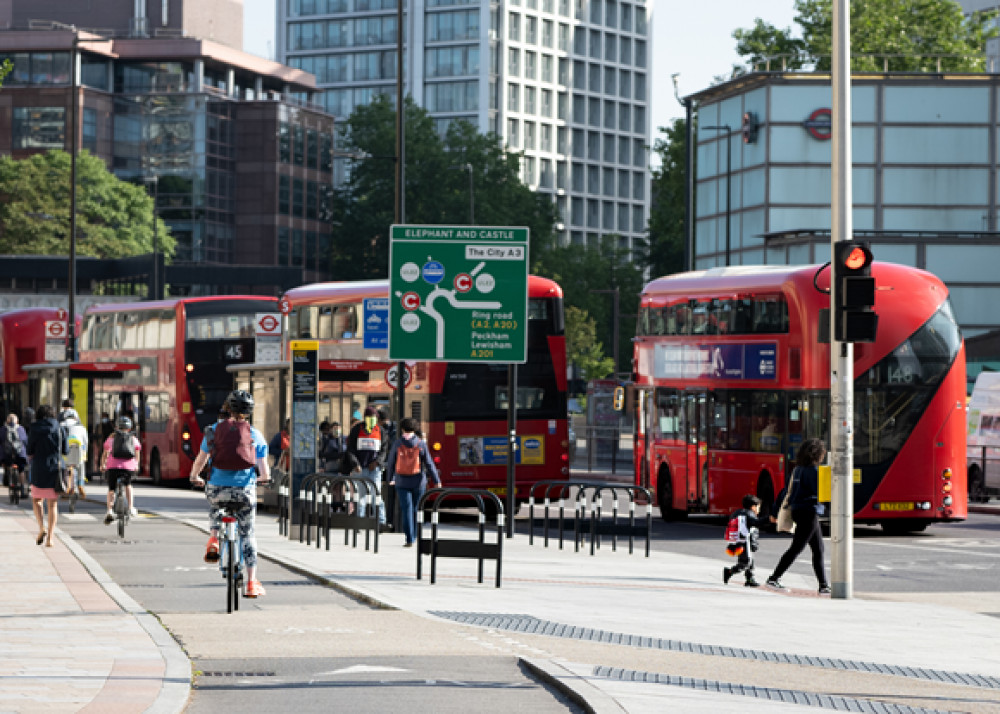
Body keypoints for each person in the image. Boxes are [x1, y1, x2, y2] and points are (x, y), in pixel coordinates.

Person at [189, 390, 271, 598]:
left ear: (227, 408)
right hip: (244, 491)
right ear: (249, 412)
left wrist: (195, 476)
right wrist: (263, 479)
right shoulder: (255, 435)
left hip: (217, 488)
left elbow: (201, 459)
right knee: (248, 534)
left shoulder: (213, 430)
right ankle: (252, 582)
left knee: (216, 505)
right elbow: (264, 470)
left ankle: (214, 538)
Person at [767, 438, 831, 594]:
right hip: (808, 512)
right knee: (797, 548)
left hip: (798, 511)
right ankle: (774, 578)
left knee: (818, 549)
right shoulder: (815, 472)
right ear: (818, 454)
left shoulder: (797, 470)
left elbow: (785, 492)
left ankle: (823, 585)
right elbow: (821, 494)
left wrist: (774, 511)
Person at [386, 417, 441, 547]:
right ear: (415, 429)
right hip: (418, 482)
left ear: (402, 428)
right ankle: (416, 535)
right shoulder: (421, 444)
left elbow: (391, 462)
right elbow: (429, 463)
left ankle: (409, 538)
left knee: (407, 510)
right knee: (417, 509)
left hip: (401, 481)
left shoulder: (398, 443)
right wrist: (436, 480)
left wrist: (390, 479)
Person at [26, 405, 68, 547]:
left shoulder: (34, 428)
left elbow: (29, 449)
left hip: (38, 468)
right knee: (52, 504)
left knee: (37, 500)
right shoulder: (60, 428)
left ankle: (41, 527)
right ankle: (50, 538)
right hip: (55, 468)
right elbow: (65, 450)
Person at [346, 406, 389, 530]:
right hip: (360, 468)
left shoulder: (381, 431)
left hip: (374, 469)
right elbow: (350, 449)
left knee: (377, 496)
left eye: (374, 417)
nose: (372, 419)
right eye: (369, 417)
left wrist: (377, 462)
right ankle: (360, 522)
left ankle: (381, 522)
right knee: (361, 497)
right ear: (365, 418)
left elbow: (384, 450)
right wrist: (355, 464)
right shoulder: (356, 430)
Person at [100, 415, 141, 524]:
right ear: (129, 428)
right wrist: (136, 465)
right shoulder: (133, 438)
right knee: (128, 485)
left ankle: (109, 510)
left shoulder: (111, 438)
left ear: (117, 427)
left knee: (111, 489)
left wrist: (102, 465)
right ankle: (131, 507)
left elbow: (105, 453)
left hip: (112, 467)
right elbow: (137, 453)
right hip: (128, 468)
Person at [723, 494, 762, 587]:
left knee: (750, 561)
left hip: (739, 542)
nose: (758, 509)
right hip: (745, 542)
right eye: (758, 507)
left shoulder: (737, 513)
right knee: (746, 562)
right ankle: (729, 571)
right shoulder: (749, 514)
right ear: (753, 507)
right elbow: (755, 525)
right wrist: (768, 519)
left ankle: (750, 579)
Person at [60, 409, 89, 506]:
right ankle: (81, 484)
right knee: (81, 465)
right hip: (78, 449)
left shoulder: (61, 425)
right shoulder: (81, 427)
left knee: (63, 467)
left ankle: (64, 485)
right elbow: (85, 442)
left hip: (66, 450)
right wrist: (85, 454)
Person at [2, 413, 28, 498]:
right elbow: (25, 441)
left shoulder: (3, 429)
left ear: (7, 421)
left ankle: (9, 477)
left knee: (7, 464)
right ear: (17, 421)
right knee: (21, 470)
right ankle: (22, 489)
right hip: (20, 454)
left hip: (7, 455)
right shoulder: (21, 429)